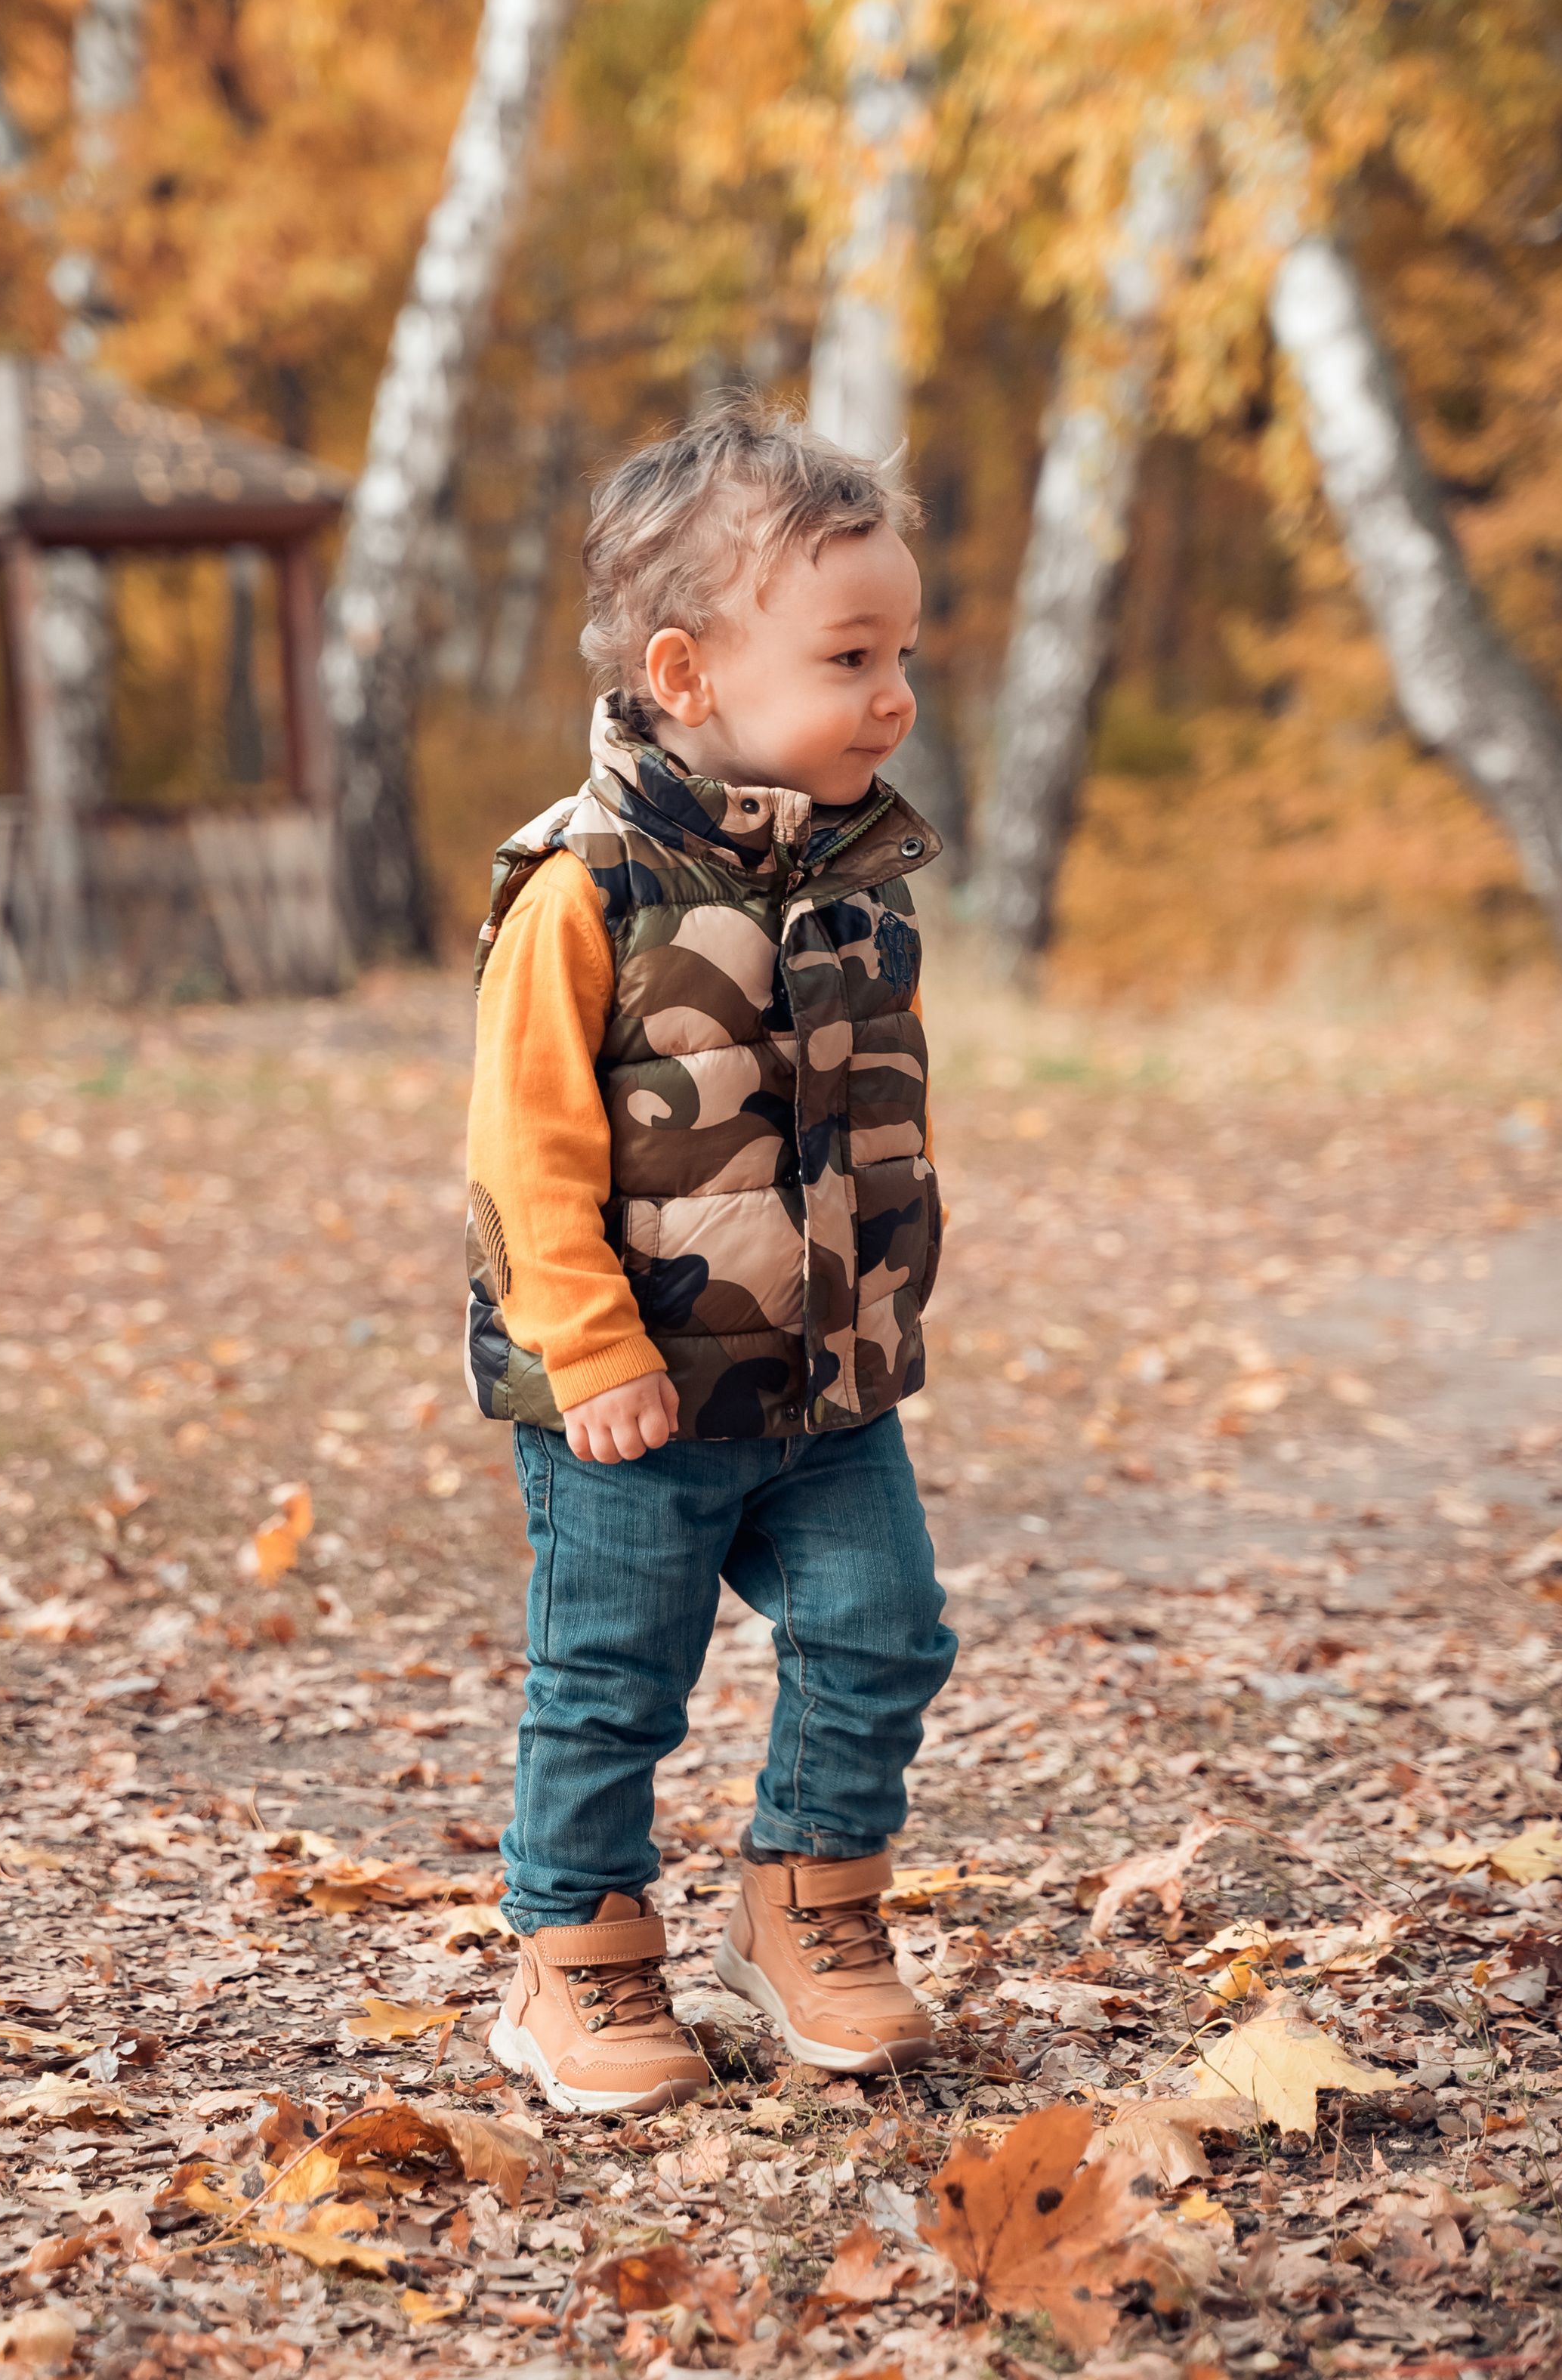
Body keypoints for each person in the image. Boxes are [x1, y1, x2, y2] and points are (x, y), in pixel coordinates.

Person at [465, 394, 956, 2116]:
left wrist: (877, 1309)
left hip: (825, 1387)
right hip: (635, 1400)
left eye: (901, 654)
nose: (892, 695)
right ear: (687, 675)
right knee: (611, 1685)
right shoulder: (581, 889)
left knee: (883, 1633)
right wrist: (590, 1352)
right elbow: (525, 1157)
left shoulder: (857, 877)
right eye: (848, 658)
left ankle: (804, 1909)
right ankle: (573, 1954)